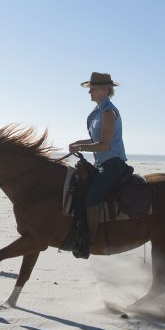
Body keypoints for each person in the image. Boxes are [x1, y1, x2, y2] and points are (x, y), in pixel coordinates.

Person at [64, 72, 128, 259]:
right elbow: (95, 139)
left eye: (93, 88)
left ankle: (90, 240)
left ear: (105, 89)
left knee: (91, 198)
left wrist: (80, 146)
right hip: (102, 163)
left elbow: (105, 144)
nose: (89, 91)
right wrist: (78, 142)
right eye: (90, 88)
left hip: (113, 164)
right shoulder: (97, 112)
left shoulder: (108, 112)